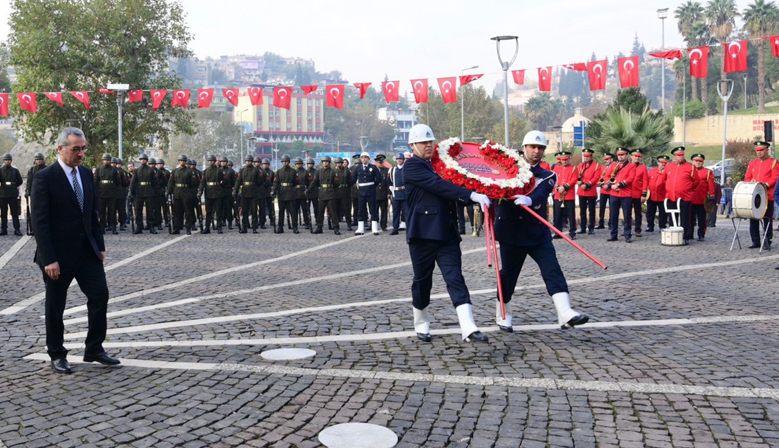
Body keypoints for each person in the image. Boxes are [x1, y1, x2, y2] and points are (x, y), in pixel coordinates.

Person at [31, 127, 120, 374]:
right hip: (57, 257)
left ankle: (94, 348)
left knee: (100, 295)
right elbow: (39, 222)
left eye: (83, 149)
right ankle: (57, 353)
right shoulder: (45, 177)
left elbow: (92, 213)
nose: (81, 154)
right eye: (75, 149)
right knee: (56, 305)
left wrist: (99, 245)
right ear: (60, 149)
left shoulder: (85, 174)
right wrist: (49, 259)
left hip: (87, 252)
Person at [403, 124, 491, 343]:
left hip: (447, 233)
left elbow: (453, 182)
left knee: (455, 278)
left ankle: (468, 327)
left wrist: (483, 187)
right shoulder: (411, 166)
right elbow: (438, 186)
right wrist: (471, 195)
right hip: (423, 234)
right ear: (413, 145)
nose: (428, 146)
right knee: (422, 282)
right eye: (423, 143)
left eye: (430, 142)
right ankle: (421, 322)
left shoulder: (440, 165)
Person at [494, 130, 589, 332]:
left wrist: (529, 199)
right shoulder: (506, 170)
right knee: (508, 275)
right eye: (532, 147)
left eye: (540, 148)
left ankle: (565, 312)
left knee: (552, 270)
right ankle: (504, 314)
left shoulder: (548, 175)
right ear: (524, 148)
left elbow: (541, 193)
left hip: (537, 233)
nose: (536, 151)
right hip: (511, 231)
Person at [745, 141, 779, 249]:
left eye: (761, 150)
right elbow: (747, 177)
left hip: (767, 195)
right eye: (757, 151)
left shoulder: (773, 162)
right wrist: (750, 182)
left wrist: (766, 185)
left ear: (767, 150)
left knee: (767, 218)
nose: (759, 153)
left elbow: (775, 178)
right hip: (754, 196)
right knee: (753, 218)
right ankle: (755, 240)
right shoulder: (752, 163)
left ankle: (767, 240)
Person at [664, 146, 699, 245]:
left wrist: (688, 188)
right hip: (671, 196)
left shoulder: (690, 167)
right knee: (672, 217)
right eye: (679, 155)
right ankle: (673, 236)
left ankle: (685, 236)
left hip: (685, 197)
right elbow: (665, 179)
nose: (681, 157)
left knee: (685, 218)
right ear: (674, 156)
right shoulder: (669, 166)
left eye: (682, 155)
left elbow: (696, 181)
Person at [606, 148, 637, 243]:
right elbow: (607, 176)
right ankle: (613, 235)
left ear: (627, 155)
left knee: (627, 215)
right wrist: (612, 185)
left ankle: (627, 235)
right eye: (619, 154)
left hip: (625, 193)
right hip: (614, 193)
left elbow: (630, 178)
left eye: (622, 154)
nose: (620, 156)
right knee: (613, 215)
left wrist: (619, 185)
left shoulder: (631, 166)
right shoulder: (613, 165)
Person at [306, 155, 340, 235]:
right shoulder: (319, 171)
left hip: (331, 193)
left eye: (326, 162)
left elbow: (337, 183)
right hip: (321, 193)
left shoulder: (333, 172)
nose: (325, 163)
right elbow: (314, 182)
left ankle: (335, 227)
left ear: (329, 163)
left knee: (332, 212)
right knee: (320, 211)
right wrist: (308, 190)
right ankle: (319, 227)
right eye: (324, 162)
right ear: (322, 163)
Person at [352, 152, 382, 235]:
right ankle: (360, 228)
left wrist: (373, 185)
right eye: (362, 158)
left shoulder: (373, 167)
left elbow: (379, 178)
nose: (364, 159)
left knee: (373, 209)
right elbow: (353, 179)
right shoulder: (358, 168)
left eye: (365, 157)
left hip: (371, 190)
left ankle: (374, 227)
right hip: (361, 190)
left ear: (368, 159)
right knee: (361, 209)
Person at [234, 154, 265, 234]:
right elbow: (238, 181)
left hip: (253, 192)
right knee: (244, 211)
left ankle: (254, 227)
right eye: (247, 161)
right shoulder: (242, 170)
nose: (248, 162)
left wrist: (254, 186)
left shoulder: (256, 170)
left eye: (250, 161)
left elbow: (260, 181)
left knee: (254, 211)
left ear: (251, 162)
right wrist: (235, 190)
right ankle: (244, 227)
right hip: (244, 192)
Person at [167, 154, 196, 235]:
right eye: (181, 161)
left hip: (186, 192)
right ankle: (177, 227)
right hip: (177, 193)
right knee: (177, 212)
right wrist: (169, 191)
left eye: (183, 161)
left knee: (188, 211)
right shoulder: (174, 171)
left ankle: (188, 227)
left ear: (185, 162)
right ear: (179, 161)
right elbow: (171, 182)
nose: (182, 162)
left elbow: (193, 183)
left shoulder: (190, 171)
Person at [129, 153, 158, 234]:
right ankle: (139, 226)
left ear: (146, 160)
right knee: (138, 210)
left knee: (150, 210)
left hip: (149, 191)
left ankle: (151, 226)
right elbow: (133, 182)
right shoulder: (136, 170)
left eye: (144, 159)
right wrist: (131, 192)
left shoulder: (151, 170)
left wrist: (154, 192)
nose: (143, 160)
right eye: (141, 159)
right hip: (139, 192)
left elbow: (155, 183)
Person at [552, 151, 577, 239]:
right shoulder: (556, 168)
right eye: (563, 160)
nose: (564, 162)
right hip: (558, 195)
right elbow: (554, 180)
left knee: (571, 215)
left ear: (569, 159)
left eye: (566, 160)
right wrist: (559, 188)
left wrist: (565, 187)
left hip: (569, 194)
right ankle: (558, 232)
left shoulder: (574, 168)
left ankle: (572, 232)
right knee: (557, 214)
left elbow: (574, 179)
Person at [576, 148, 601, 235]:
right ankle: (583, 227)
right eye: (585, 156)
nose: (586, 158)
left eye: (588, 156)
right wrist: (580, 183)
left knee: (592, 210)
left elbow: (596, 177)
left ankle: (591, 227)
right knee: (582, 210)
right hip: (581, 191)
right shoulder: (580, 165)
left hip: (590, 190)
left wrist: (587, 184)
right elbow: (577, 176)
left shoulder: (596, 165)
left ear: (591, 156)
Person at [198, 154, 226, 234]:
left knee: (218, 211)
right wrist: (200, 191)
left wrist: (220, 184)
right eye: (209, 161)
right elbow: (202, 183)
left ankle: (219, 227)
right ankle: (207, 227)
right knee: (208, 211)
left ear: (214, 161)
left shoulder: (219, 170)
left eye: (212, 161)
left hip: (217, 192)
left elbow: (225, 180)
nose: (210, 162)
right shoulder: (205, 171)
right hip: (208, 193)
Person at [690, 154, 714, 241]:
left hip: (702, 200)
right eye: (696, 161)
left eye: (700, 161)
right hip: (690, 199)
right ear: (693, 161)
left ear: (703, 162)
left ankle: (701, 234)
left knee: (702, 219)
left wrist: (712, 196)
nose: (698, 162)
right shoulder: (689, 170)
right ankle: (689, 234)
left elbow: (711, 185)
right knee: (690, 219)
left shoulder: (708, 172)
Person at [95, 153, 121, 234]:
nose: (107, 161)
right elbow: (96, 181)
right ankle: (102, 226)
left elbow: (118, 181)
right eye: (105, 160)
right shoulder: (99, 169)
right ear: (103, 161)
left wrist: (112, 187)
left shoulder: (114, 170)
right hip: (101, 193)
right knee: (101, 211)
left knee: (112, 211)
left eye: (108, 160)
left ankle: (113, 226)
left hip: (111, 193)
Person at [273, 154, 299, 234]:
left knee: (293, 212)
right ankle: (280, 227)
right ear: (282, 162)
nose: (285, 163)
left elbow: (296, 182)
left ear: (289, 162)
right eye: (283, 162)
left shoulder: (293, 171)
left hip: (291, 193)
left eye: (286, 161)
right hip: (282, 193)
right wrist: (274, 191)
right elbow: (276, 183)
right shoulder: (278, 172)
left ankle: (295, 227)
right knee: (281, 212)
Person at [0, 153, 23, 236]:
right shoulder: (0, 170)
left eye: (9, 160)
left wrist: (14, 186)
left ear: (11, 161)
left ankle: (17, 229)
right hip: (3, 194)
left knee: (14, 212)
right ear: (4, 161)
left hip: (12, 194)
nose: (7, 161)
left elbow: (20, 181)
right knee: (3, 213)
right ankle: (3, 229)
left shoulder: (15, 171)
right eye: (6, 160)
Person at [645, 155, 669, 232]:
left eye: (665, 163)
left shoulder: (668, 172)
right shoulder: (652, 171)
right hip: (651, 195)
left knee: (663, 213)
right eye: (661, 162)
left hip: (663, 196)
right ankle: (650, 226)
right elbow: (647, 181)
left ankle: (662, 226)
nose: (663, 164)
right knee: (650, 212)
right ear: (658, 163)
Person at [387, 152, 408, 235]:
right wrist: (390, 189)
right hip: (396, 193)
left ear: (403, 160)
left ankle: (409, 228)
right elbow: (388, 181)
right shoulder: (392, 170)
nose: (399, 160)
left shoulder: (407, 169)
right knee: (396, 212)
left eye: (400, 159)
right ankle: (395, 228)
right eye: (398, 159)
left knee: (407, 212)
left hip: (405, 193)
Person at [629, 149, 647, 238]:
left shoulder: (642, 168)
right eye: (635, 156)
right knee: (627, 213)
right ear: (631, 157)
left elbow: (645, 182)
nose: (637, 158)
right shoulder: (626, 166)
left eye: (638, 156)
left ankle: (637, 230)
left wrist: (644, 194)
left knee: (638, 213)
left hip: (637, 194)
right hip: (627, 194)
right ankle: (627, 229)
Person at [596, 153, 615, 229]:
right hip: (603, 190)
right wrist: (602, 185)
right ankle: (601, 223)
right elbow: (599, 178)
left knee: (612, 207)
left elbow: (614, 178)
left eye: (607, 159)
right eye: (605, 159)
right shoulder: (603, 168)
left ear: (611, 159)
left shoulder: (615, 167)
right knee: (601, 207)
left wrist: (609, 185)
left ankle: (611, 223)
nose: (606, 161)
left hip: (611, 190)